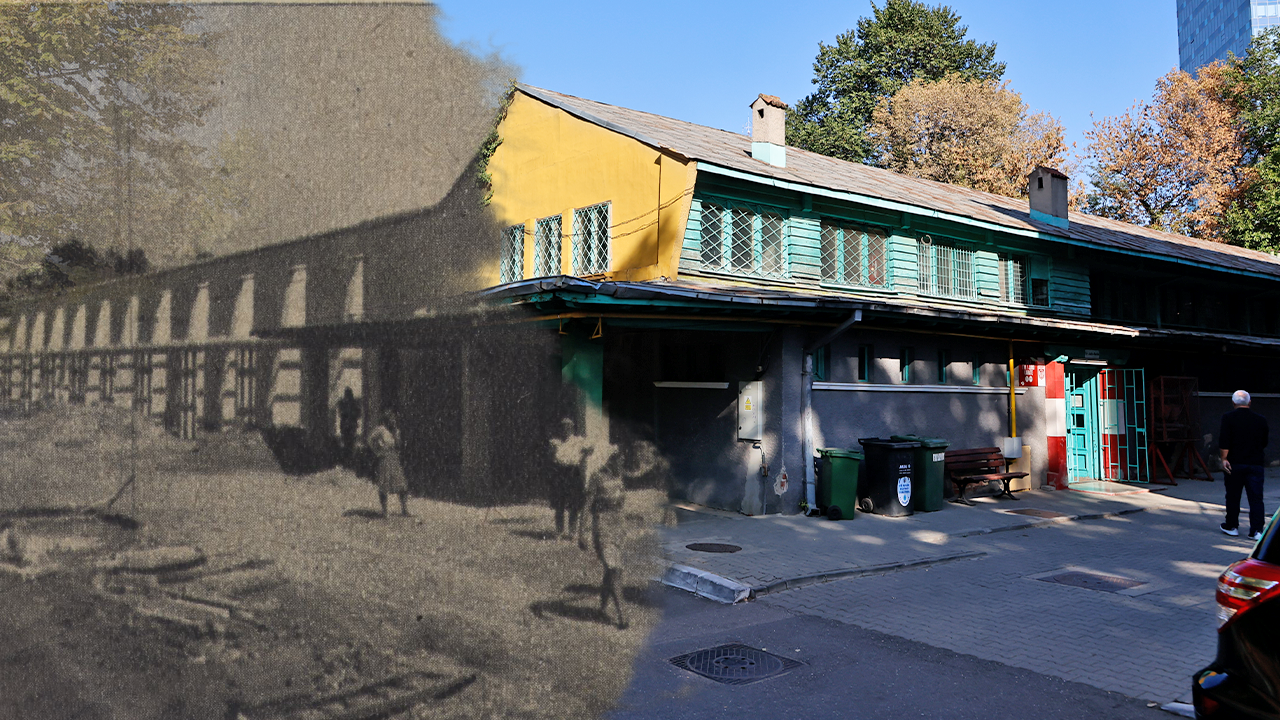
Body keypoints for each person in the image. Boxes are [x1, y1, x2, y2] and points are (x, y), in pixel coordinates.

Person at [578, 439, 629, 630]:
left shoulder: (620, 476)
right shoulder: (597, 477)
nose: (622, 465)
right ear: (612, 460)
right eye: (620, 461)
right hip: (602, 526)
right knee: (614, 568)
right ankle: (622, 614)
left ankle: (601, 607)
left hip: (618, 527)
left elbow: (621, 503)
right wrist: (581, 533)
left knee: (613, 569)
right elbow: (586, 506)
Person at [1219, 390, 1269, 540]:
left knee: (1233, 495)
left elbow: (1224, 440)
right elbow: (1264, 442)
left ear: (1233, 403)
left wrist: (1224, 459)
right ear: (1250, 402)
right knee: (1256, 498)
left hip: (1234, 463)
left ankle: (1232, 526)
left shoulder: (1228, 418)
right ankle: (1256, 530)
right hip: (1255, 463)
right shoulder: (1261, 419)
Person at [549, 418, 589, 539]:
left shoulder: (578, 441)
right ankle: (559, 531)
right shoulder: (555, 442)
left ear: (572, 429)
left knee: (574, 504)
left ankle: (572, 532)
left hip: (573, 472)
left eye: (568, 427)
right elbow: (551, 458)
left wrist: (583, 455)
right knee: (559, 504)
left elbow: (590, 449)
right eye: (563, 427)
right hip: (560, 473)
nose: (565, 430)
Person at [369, 408, 410, 518]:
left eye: (394, 419)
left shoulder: (394, 431)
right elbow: (370, 439)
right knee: (384, 485)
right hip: (384, 459)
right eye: (391, 418)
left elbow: (398, 445)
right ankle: (385, 511)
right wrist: (378, 450)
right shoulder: (381, 430)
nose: (393, 420)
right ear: (386, 419)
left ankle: (404, 509)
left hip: (394, 458)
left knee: (402, 485)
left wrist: (396, 432)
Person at [337, 387, 361, 462]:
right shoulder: (342, 403)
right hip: (345, 425)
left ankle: (349, 458)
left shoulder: (354, 403)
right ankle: (346, 458)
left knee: (350, 441)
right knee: (346, 441)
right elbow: (340, 413)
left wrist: (352, 415)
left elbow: (359, 413)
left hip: (351, 425)